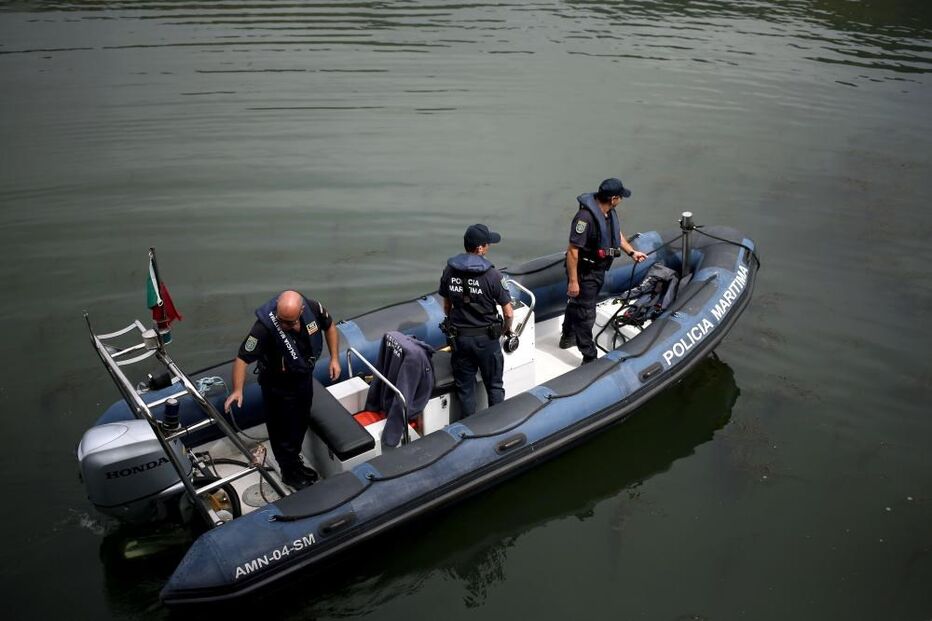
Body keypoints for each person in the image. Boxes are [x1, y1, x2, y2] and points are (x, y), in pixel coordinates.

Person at [223, 290, 341, 490]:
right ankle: (289, 473)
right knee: (282, 432)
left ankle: (295, 463)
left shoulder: (312, 308)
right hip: (277, 387)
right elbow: (243, 357)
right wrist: (237, 389)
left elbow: (329, 326)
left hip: (302, 379)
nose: (286, 326)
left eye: (291, 322)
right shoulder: (264, 328)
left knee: (300, 423)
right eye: (282, 321)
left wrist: (335, 359)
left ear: (301, 310)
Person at [561, 178, 647, 364]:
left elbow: (616, 234)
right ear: (613, 198)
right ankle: (589, 357)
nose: (621, 200)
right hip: (585, 272)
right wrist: (574, 281)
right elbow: (573, 251)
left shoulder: (608, 213)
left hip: (598, 270)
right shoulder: (584, 218)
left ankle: (567, 336)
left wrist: (631, 252)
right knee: (586, 314)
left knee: (577, 304)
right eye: (621, 197)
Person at [439, 224, 514, 418]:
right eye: (487, 244)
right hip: (486, 341)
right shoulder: (492, 275)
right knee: (495, 386)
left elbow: (447, 307)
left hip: (460, 340)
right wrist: (506, 330)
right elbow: (508, 312)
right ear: (479, 248)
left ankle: (468, 429)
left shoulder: (449, 271)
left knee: (465, 389)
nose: (488, 247)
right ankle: (498, 425)